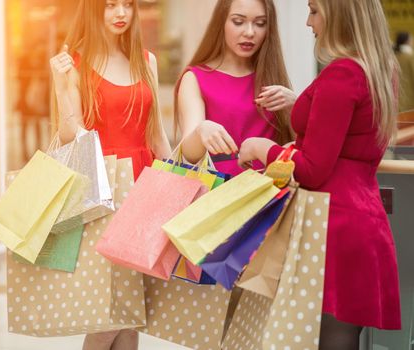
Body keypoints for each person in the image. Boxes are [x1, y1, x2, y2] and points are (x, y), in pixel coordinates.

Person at [238, 0, 402, 348]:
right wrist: (302, 102)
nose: (309, 22)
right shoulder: (378, 71)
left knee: (324, 338)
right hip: (364, 223)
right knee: (343, 338)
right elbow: (349, 137)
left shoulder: (342, 74)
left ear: (338, 13)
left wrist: (259, 149)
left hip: (332, 227)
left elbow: (312, 169)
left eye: (314, 10)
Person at [49, 0, 171, 349]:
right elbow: (72, 136)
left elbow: (157, 134)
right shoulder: (75, 63)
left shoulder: (147, 61)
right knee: (112, 312)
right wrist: (60, 87)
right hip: (106, 189)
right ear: (92, 10)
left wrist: (184, 184)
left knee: (131, 314)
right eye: (109, 5)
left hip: (146, 188)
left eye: (127, 4)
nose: (120, 13)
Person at [175, 0, 295, 176]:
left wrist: (296, 105)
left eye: (260, 23)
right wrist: (201, 130)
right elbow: (189, 154)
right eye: (238, 22)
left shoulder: (272, 76)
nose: (249, 32)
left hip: (271, 191)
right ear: (221, 22)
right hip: (217, 193)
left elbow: (303, 148)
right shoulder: (195, 78)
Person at [394, 31, 414, 112]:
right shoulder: (411, 57)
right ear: (407, 41)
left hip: (396, 97)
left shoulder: (393, 55)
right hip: (409, 97)